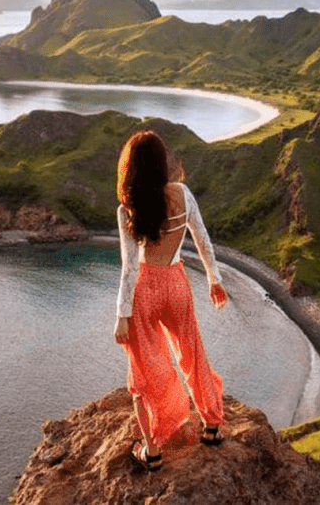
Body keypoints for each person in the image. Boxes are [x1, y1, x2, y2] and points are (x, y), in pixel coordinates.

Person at [113, 130, 228, 472]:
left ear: (130, 169)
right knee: (192, 353)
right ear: (163, 162)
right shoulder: (183, 193)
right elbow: (202, 238)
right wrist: (214, 279)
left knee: (145, 372)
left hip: (145, 290)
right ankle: (211, 427)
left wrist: (122, 314)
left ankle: (153, 451)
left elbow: (130, 268)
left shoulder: (128, 209)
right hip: (176, 283)